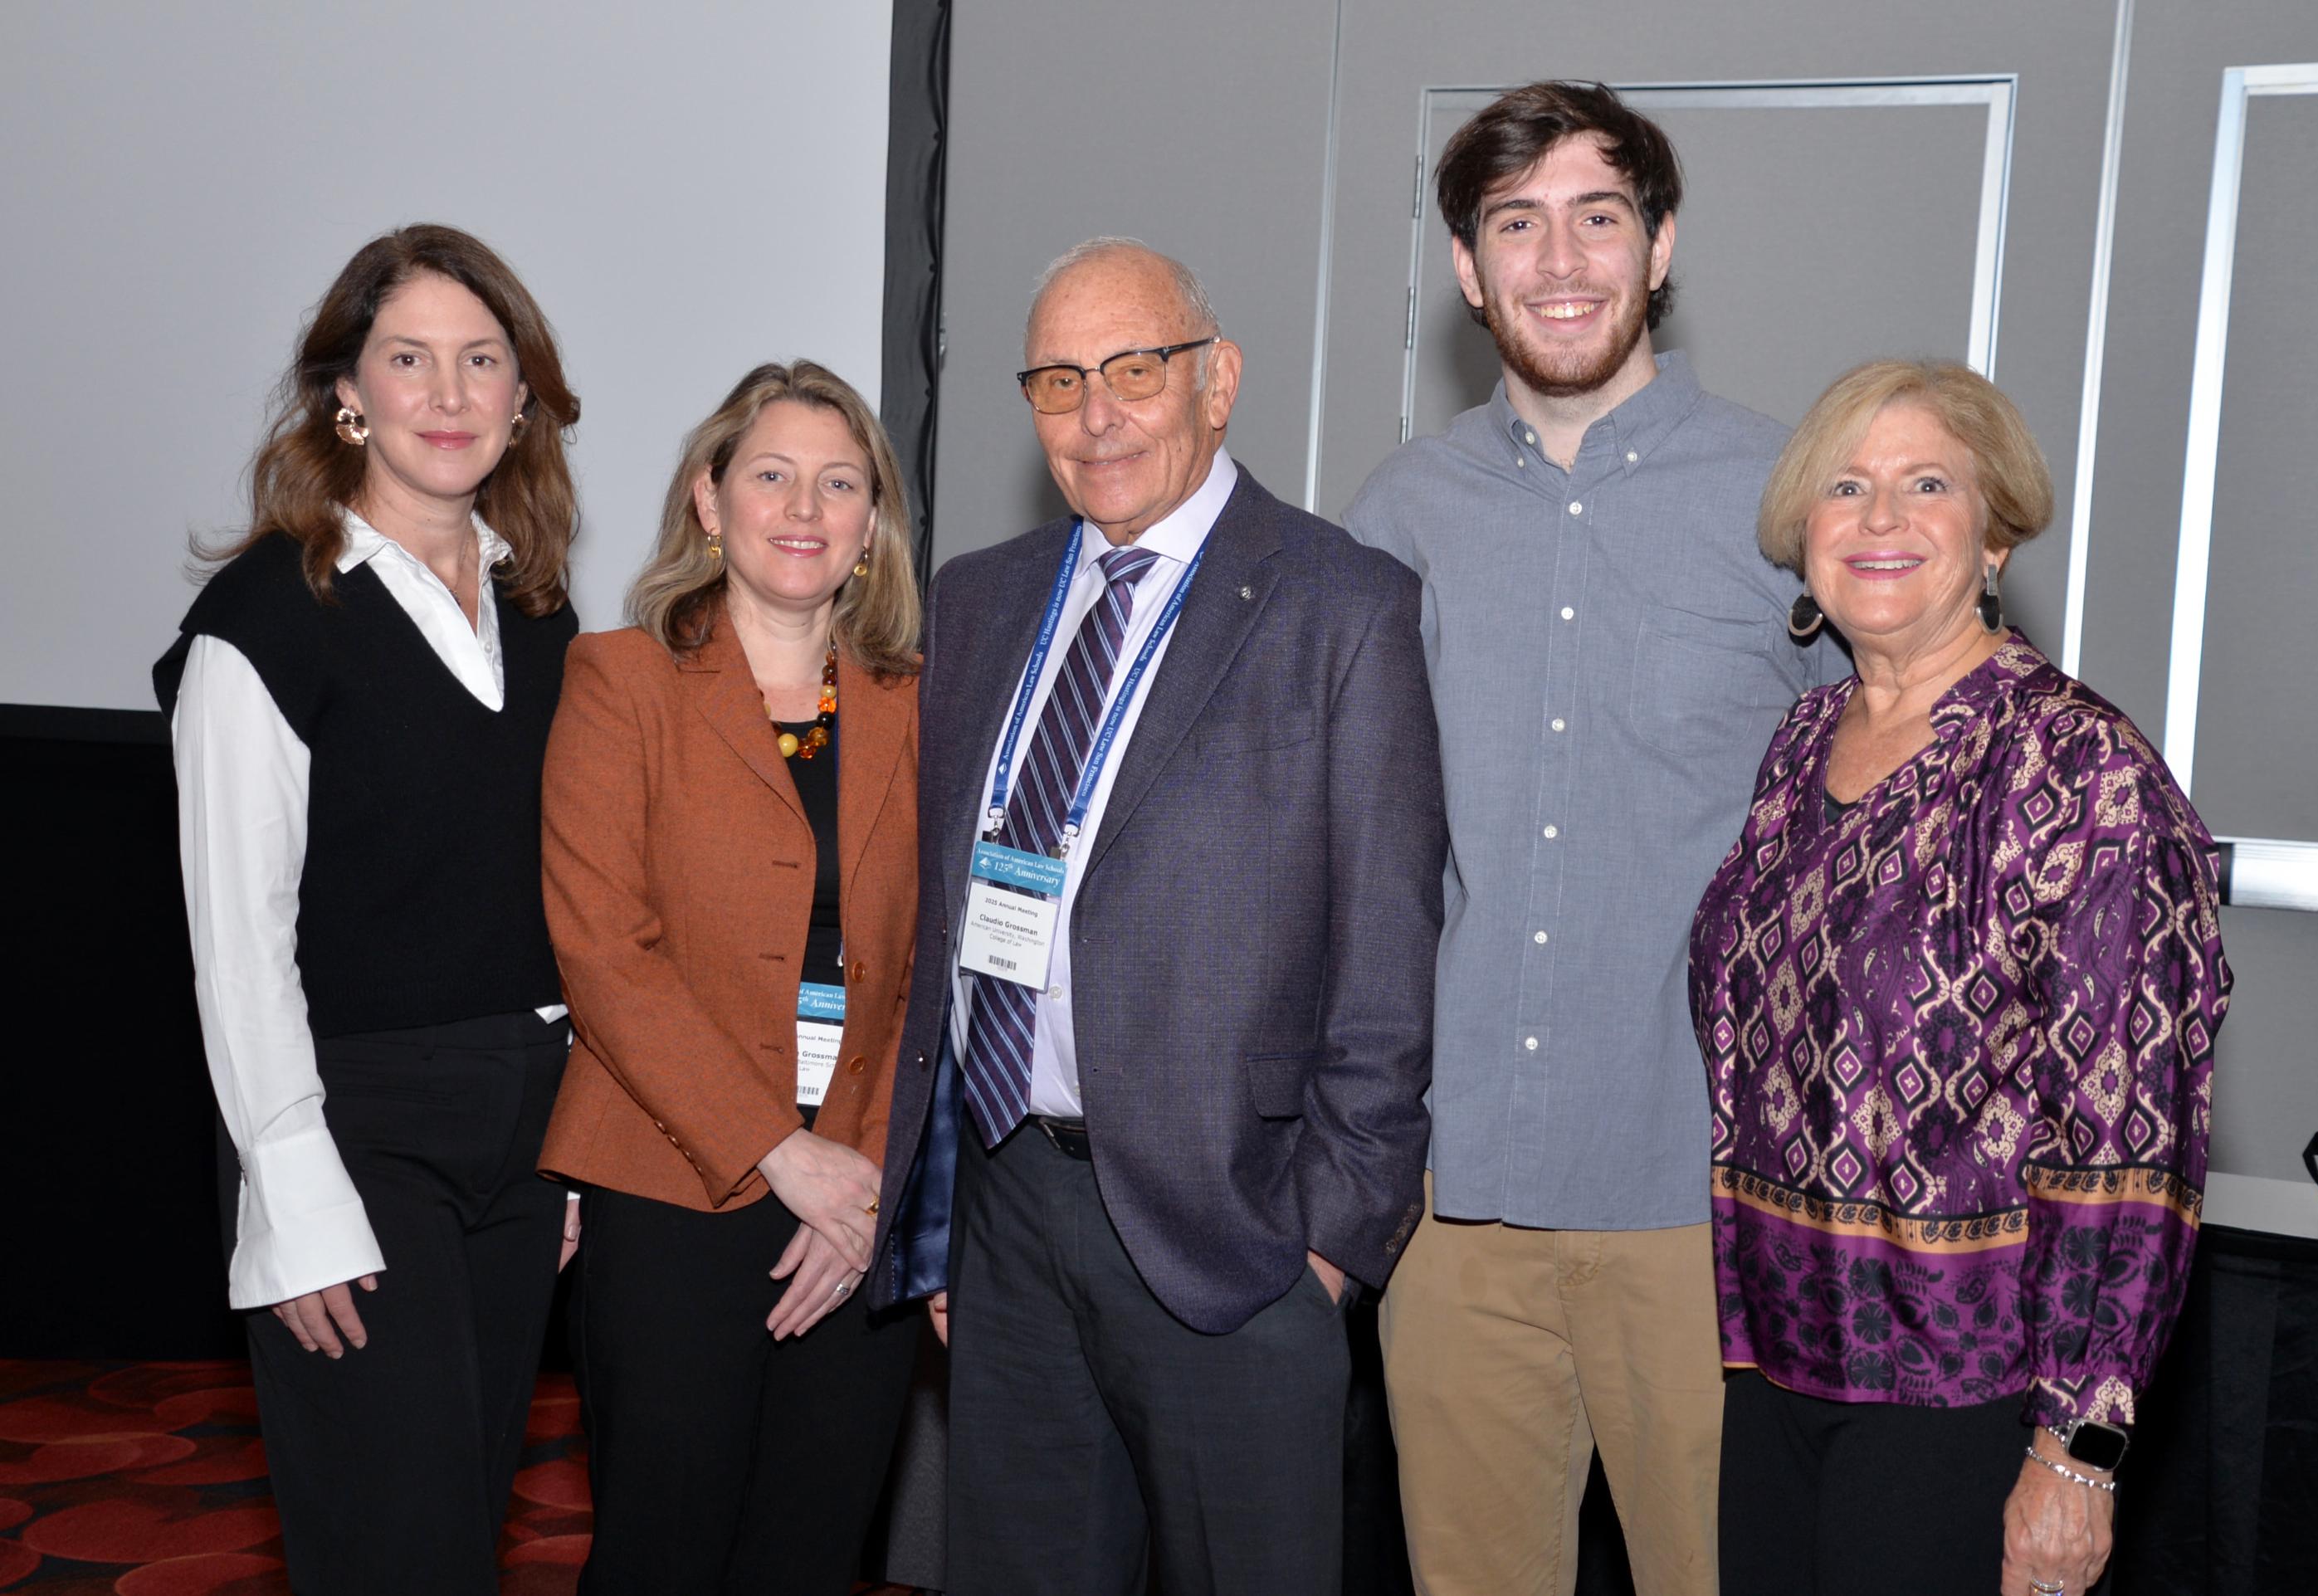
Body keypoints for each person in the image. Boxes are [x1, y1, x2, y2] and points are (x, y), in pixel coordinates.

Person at [862, 237, 1445, 1595]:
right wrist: (943, 1210)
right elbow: (950, 916)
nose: (1096, 414)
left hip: (1229, 1234)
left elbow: (1387, 962)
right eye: (1058, 381)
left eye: (1135, 368)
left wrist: (1326, 1250)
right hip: (1008, 1217)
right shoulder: (978, 600)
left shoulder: (1341, 606)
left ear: (1217, 379)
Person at [1345, 81, 1846, 1596]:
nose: (1558, 260)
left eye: (1597, 216)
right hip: (1456, 1206)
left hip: (1701, 1208)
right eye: (1516, 223)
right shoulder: (1397, 514)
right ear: (1464, 266)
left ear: (1660, 242)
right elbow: (1353, 854)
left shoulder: (1794, 503)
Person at [1691, 359, 2233, 1596]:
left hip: (1964, 1400)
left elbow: (2130, 1151)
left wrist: (2077, 1452)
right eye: (1844, 487)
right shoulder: (1797, 747)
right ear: (1803, 536)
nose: (1878, 520)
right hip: (1769, 1368)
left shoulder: (2080, 774)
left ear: (1993, 534)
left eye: (1923, 484)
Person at [154, 224, 582, 1594]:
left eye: (480, 363)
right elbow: (237, 943)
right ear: (350, 392)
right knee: (393, 1553)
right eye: (411, 360)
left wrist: (570, 1143)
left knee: (462, 1527)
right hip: (358, 1132)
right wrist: (291, 1196)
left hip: (526, 1133)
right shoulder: (265, 615)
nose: (449, 396)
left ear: (523, 400)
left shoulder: (543, 611)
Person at [537, 361, 925, 1595]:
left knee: (811, 1547)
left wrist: (859, 1183)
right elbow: (605, 954)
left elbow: (935, 959)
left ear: (871, 525)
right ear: (709, 501)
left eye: (838, 481)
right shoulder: (622, 682)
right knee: (665, 1543)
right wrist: (778, 1152)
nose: (801, 506)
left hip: (861, 1196)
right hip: (672, 1184)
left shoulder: (921, 704)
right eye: (769, 474)